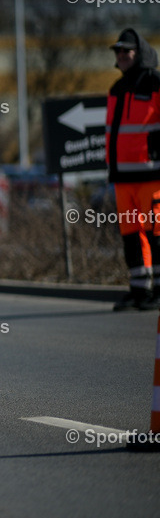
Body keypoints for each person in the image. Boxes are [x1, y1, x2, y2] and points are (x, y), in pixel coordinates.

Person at [106, 29, 160, 311]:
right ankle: (140, 291)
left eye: (126, 50)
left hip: (151, 173)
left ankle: (158, 291)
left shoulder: (155, 82)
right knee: (131, 235)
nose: (121, 55)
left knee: (157, 232)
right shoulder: (117, 88)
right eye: (117, 51)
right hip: (122, 178)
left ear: (139, 52)